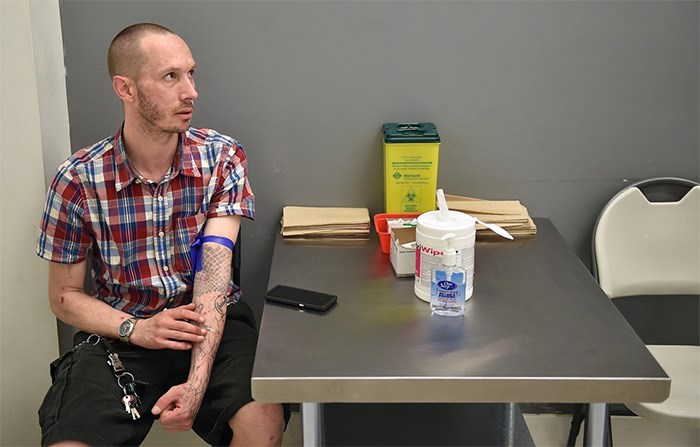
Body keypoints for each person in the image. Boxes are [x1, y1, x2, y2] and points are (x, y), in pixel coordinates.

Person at [36, 23, 287, 446]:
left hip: (211, 321)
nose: (191, 92)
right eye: (171, 77)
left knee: (261, 421)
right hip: (124, 327)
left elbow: (213, 275)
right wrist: (139, 329)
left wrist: (196, 383)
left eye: (191, 74)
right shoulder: (77, 179)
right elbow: (64, 297)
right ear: (126, 88)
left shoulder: (221, 158)